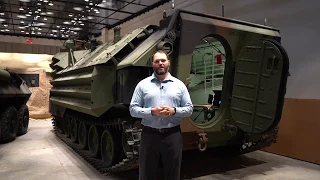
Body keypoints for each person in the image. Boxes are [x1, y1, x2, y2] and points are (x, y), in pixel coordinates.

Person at [129, 50, 193, 180]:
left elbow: (189, 109)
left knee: (173, 174)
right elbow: (133, 109)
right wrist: (152, 111)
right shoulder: (143, 85)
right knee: (146, 173)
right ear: (152, 64)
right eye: (157, 61)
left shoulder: (179, 85)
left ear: (168, 62)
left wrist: (173, 111)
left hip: (173, 135)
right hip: (149, 135)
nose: (160, 63)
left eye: (163, 60)